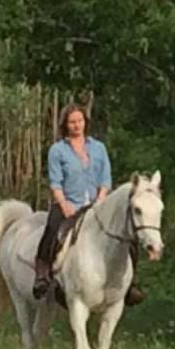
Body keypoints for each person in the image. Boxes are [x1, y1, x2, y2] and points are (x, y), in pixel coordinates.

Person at [32, 103, 145, 306]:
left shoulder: (98, 148)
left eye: (80, 121)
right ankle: (43, 274)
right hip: (68, 203)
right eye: (72, 122)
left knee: (129, 235)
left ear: (86, 123)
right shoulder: (57, 150)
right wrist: (64, 205)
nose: (77, 126)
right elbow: (55, 183)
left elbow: (105, 179)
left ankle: (130, 283)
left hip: (97, 205)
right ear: (65, 125)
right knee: (52, 229)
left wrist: (101, 200)